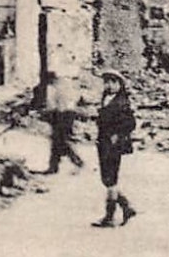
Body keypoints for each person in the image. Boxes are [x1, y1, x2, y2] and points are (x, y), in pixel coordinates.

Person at [92, 70, 137, 228]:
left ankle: (110, 216)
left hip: (114, 144)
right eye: (106, 82)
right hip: (103, 142)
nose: (109, 85)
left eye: (113, 82)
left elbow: (130, 123)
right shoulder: (105, 98)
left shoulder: (122, 102)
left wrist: (117, 135)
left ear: (120, 84)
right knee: (107, 179)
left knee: (110, 179)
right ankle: (126, 207)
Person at [40, 70, 83, 174]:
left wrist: (45, 114)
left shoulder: (51, 88)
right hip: (69, 114)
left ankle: (75, 160)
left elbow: (52, 106)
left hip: (60, 115)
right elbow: (76, 99)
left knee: (59, 140)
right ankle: (54, 166)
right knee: (58, 141)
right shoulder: (66, 84)